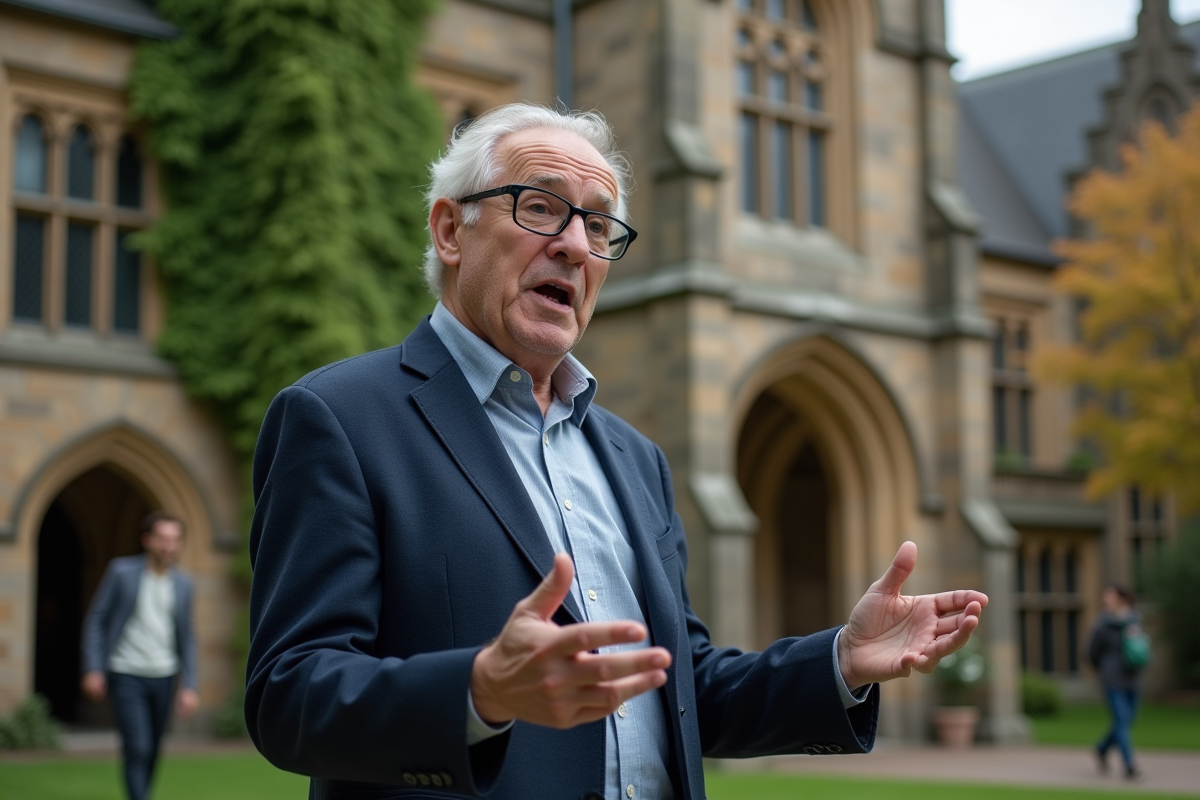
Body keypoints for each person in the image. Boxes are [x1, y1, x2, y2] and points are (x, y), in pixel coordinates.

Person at [245, 103, 988, 800]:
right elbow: (290, 692)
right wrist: (476, 691)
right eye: (539, 206)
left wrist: (838, 663)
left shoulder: (635, 458)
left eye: (599, 227)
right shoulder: (339, 417)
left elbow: (680, 688)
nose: (574, 245)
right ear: (450, 230)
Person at [82, 511, 198, 800]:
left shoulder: (184, 584)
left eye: (174, 539)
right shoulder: (121, 573)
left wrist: (190, 685)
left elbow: (187, 637)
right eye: (162, 538)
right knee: (139, 747)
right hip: (127, 672)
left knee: (153, 750)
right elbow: (96, 619)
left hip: (165, 675)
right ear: (147, 540)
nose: (168, 546)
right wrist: (93, 668)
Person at [1089, 583, 1145, 779]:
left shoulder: (1133, 619)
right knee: (1121, 720)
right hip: (1112, 678)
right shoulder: (1103, 623)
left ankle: (1102, 748)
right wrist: (1104, 670)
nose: (1106, 599)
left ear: (1121, 598)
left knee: (1128, 720)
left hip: (1132, 677)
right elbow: (1092, 652)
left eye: (1110, 596)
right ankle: (1130, 765)